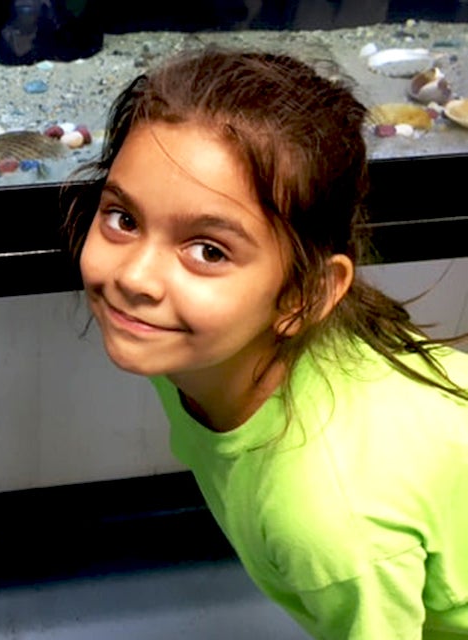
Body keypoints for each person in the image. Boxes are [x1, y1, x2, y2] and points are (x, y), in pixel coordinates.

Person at [61, 48, 468, 639]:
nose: (134, 278)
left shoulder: (327, 512)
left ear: (304, 295)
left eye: (208, 250)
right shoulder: (191, 349)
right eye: (123, 218)